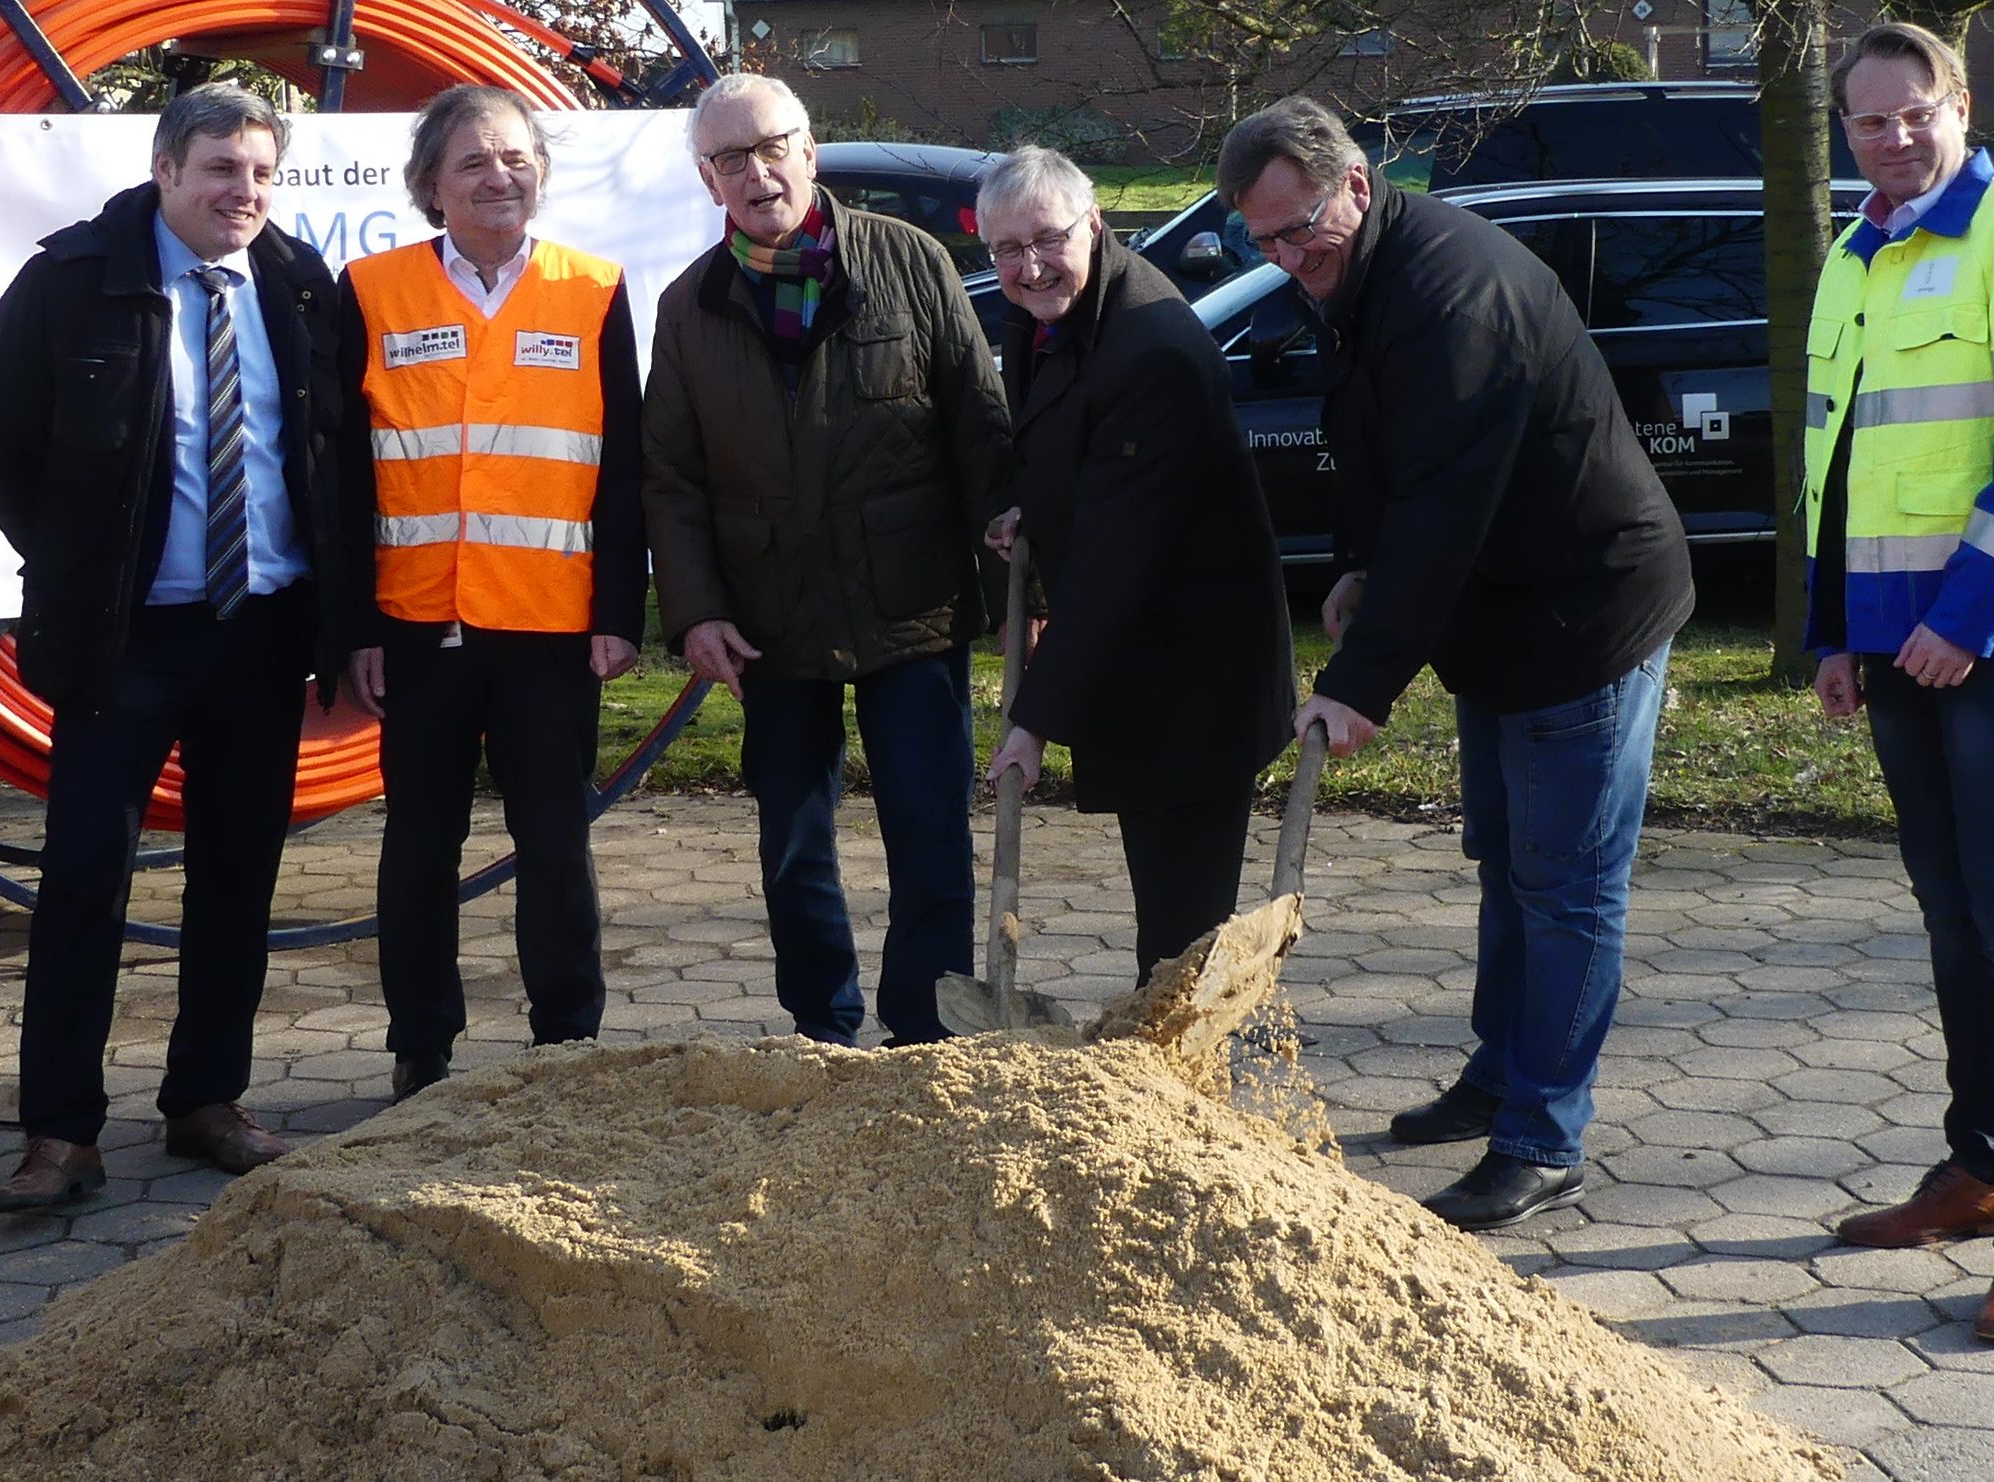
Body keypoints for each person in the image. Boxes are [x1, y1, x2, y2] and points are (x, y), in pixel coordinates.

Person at [1220, 96, 1693, 1231]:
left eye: (1303, 230)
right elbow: (1371, 446)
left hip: (1586, 613)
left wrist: (1360, 683)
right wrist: (1354, 564)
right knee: (1505, 859)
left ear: (1359, 187)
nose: (1290, 259)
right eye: (1266, 241)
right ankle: (1500, 1075)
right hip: (1503, 616)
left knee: (1568, 884)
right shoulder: (1364, 280)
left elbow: (1444, 508)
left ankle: (1544, 1136)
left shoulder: (1450, 294)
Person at [0, 84, 361, 1211]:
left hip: (261, 632)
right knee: (85, 875)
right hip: (125, 642)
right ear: (167, 170)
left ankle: (206, 1103)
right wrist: (82, 565)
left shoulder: (294, 281)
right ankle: (58, 1136)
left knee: (238, 876)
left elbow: (327, 455)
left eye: (262, 173)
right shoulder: (72, 282)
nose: (245, 193)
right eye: (223, 170)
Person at [1802, 22, 1994, 1344]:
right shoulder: (1853, 253)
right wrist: (1831, 629)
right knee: (1948, 914)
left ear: (1959, 104)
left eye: (1912, 113)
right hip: (1889, 636)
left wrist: (1967, 616)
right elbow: (1837, 458)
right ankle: (1976, 1164)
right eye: (1869, 122)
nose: (1893, 138)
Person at [642, 74, 1012, 1047]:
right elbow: (671, 478)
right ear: (706, 179)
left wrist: (1021, 598)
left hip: (912, 602)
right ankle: (821, 1030)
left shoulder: (911, 262)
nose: (756, 173)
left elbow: (981, 430)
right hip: (771, 619)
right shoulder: (690, 307)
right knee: (793, 845)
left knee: (929, 836)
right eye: (730, 160)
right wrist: (695, 612)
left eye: (771, 148)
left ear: (809, 150)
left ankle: (925, 1032)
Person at [332, 86, 647, 1101]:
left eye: (515, 158)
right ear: (431, 186)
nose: (497, 177)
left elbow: (626, 467)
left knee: (554, 843)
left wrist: (615, 616)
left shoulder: (594, 290)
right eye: (471, 162)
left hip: (553, 632)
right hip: (417, 628)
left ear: (542, 174)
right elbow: (339, 475)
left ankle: (568, 1043)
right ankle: (420, 1048)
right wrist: (356, 626)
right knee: (419, 845)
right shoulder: (372, 290)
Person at [973, 145, 1293, 983]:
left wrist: (1033, 720)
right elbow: (1061, 447)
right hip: (1139, 663)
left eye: (1046, 238)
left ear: (1096, 225)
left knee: (1184, 935)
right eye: (1006, 249)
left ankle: (1188, 1090)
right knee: (1168, 921)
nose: (1029, 265)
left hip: (1195, 677)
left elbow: (1121, 559)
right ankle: (1171, 1073)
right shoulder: (1050, 311)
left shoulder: (1149, 347)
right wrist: (1031, 514)